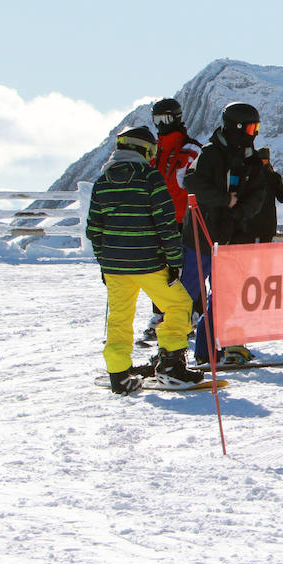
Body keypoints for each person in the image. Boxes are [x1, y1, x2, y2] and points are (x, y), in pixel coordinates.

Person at [87, 126, 199, 394]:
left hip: (115, 267)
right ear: (145, 150)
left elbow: (94, 229)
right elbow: (165, 223)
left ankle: (119, 375)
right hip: (150, 264)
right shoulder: (150, 178)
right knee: (179, 305)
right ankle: (170, 365)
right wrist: (174, 262)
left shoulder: (102, 182)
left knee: (119, 318)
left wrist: (105, 263)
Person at [180, 102, 272, 365]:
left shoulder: (252, 160)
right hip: (200, 236)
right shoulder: (210, 154)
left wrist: (237, 212)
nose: (255, 133)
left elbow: (257, 196)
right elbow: (192, 182)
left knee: (223, 296)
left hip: (232, 236)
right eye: (252, 127)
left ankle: (208, 352)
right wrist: (225, 200)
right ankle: (169, 351)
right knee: (185, 296)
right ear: (238, 127)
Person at [141, 97, 202, 342]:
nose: (160, 124)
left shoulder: (192, 149)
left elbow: (196, 182)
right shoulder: (154, 149)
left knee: (188, 270)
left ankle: (195, 315)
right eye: (157, 120)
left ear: (176, 118)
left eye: (165, 119)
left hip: (184, 219)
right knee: (159, 271)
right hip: (158, 219)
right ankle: (161, 315)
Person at [252, 147, 283, 243]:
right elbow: (282, 195)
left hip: (255, 220)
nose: (263, 162)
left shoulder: (251, 175)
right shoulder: (273, 177)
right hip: (266, 220)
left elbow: (282, 195)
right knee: (264, 251)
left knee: (251, 250)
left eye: (264, 160)